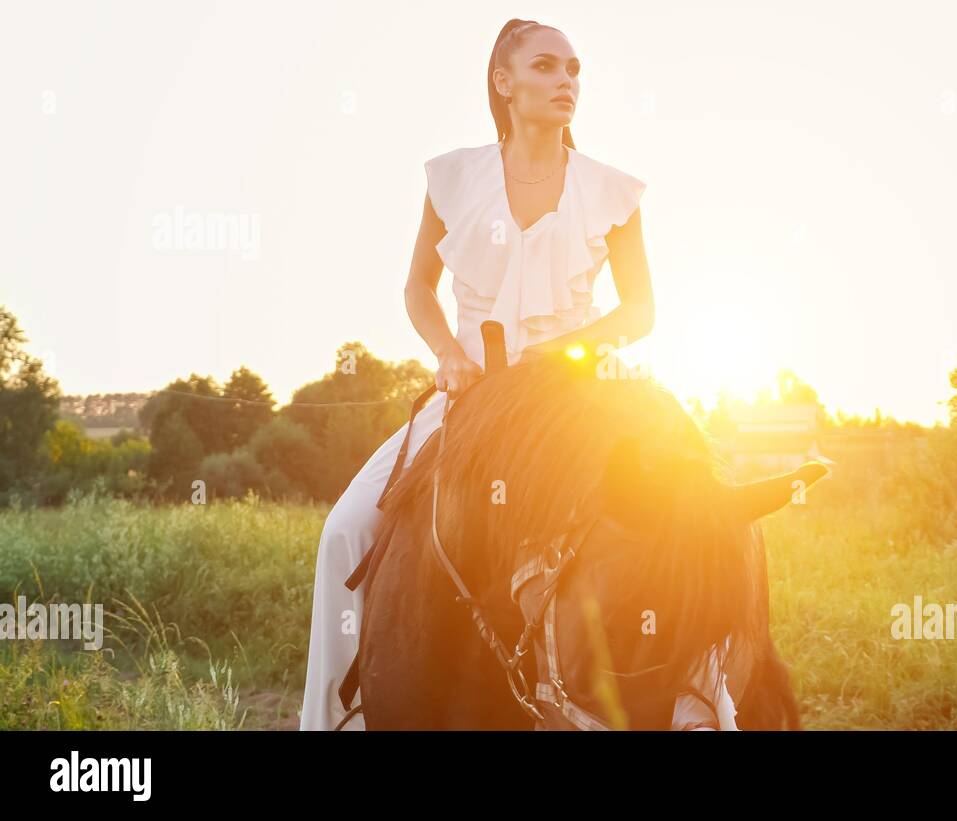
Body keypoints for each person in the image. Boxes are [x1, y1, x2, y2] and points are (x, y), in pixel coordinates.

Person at [300, 18, 737, 731]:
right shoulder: (452, 178)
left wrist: (567, 351)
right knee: (344, 529)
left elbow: (642, 310)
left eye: (574, 70)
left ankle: (705, 703)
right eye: (546, 66)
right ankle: (341, 718)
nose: (566, 81)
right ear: (503, 82)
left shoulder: (612, 190)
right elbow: (417, 288)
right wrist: (448, 352)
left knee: (688, 512)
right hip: (475, 396)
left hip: (579, 404)